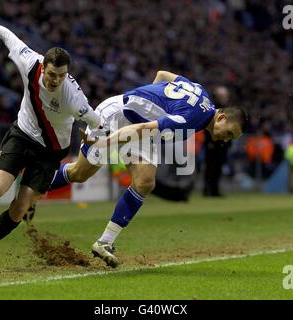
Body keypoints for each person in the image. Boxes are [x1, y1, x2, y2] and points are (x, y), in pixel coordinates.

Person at [0, 9, 101, 267]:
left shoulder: (74, 98)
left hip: (51, 151)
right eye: (52, 75)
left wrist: (90, 138)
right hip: (23, 134)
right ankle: (28, 191)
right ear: (43, 67)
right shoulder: (30, 62)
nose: (56, 81)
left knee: (19, 207)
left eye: (61, 76)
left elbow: (98, 123)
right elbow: (5, 33)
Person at [47, 70, 248, 267]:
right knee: (79, 174)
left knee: (145, 182)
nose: (226, 140)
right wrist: (105, 143)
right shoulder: (190, 121)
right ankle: (35, 182)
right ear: (221, 118)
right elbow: (138, 129)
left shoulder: (201, 93)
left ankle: (104, 242)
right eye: (229, 133)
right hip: (117, 115)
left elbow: (162, 75)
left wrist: (151, 102)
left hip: (140, 126)